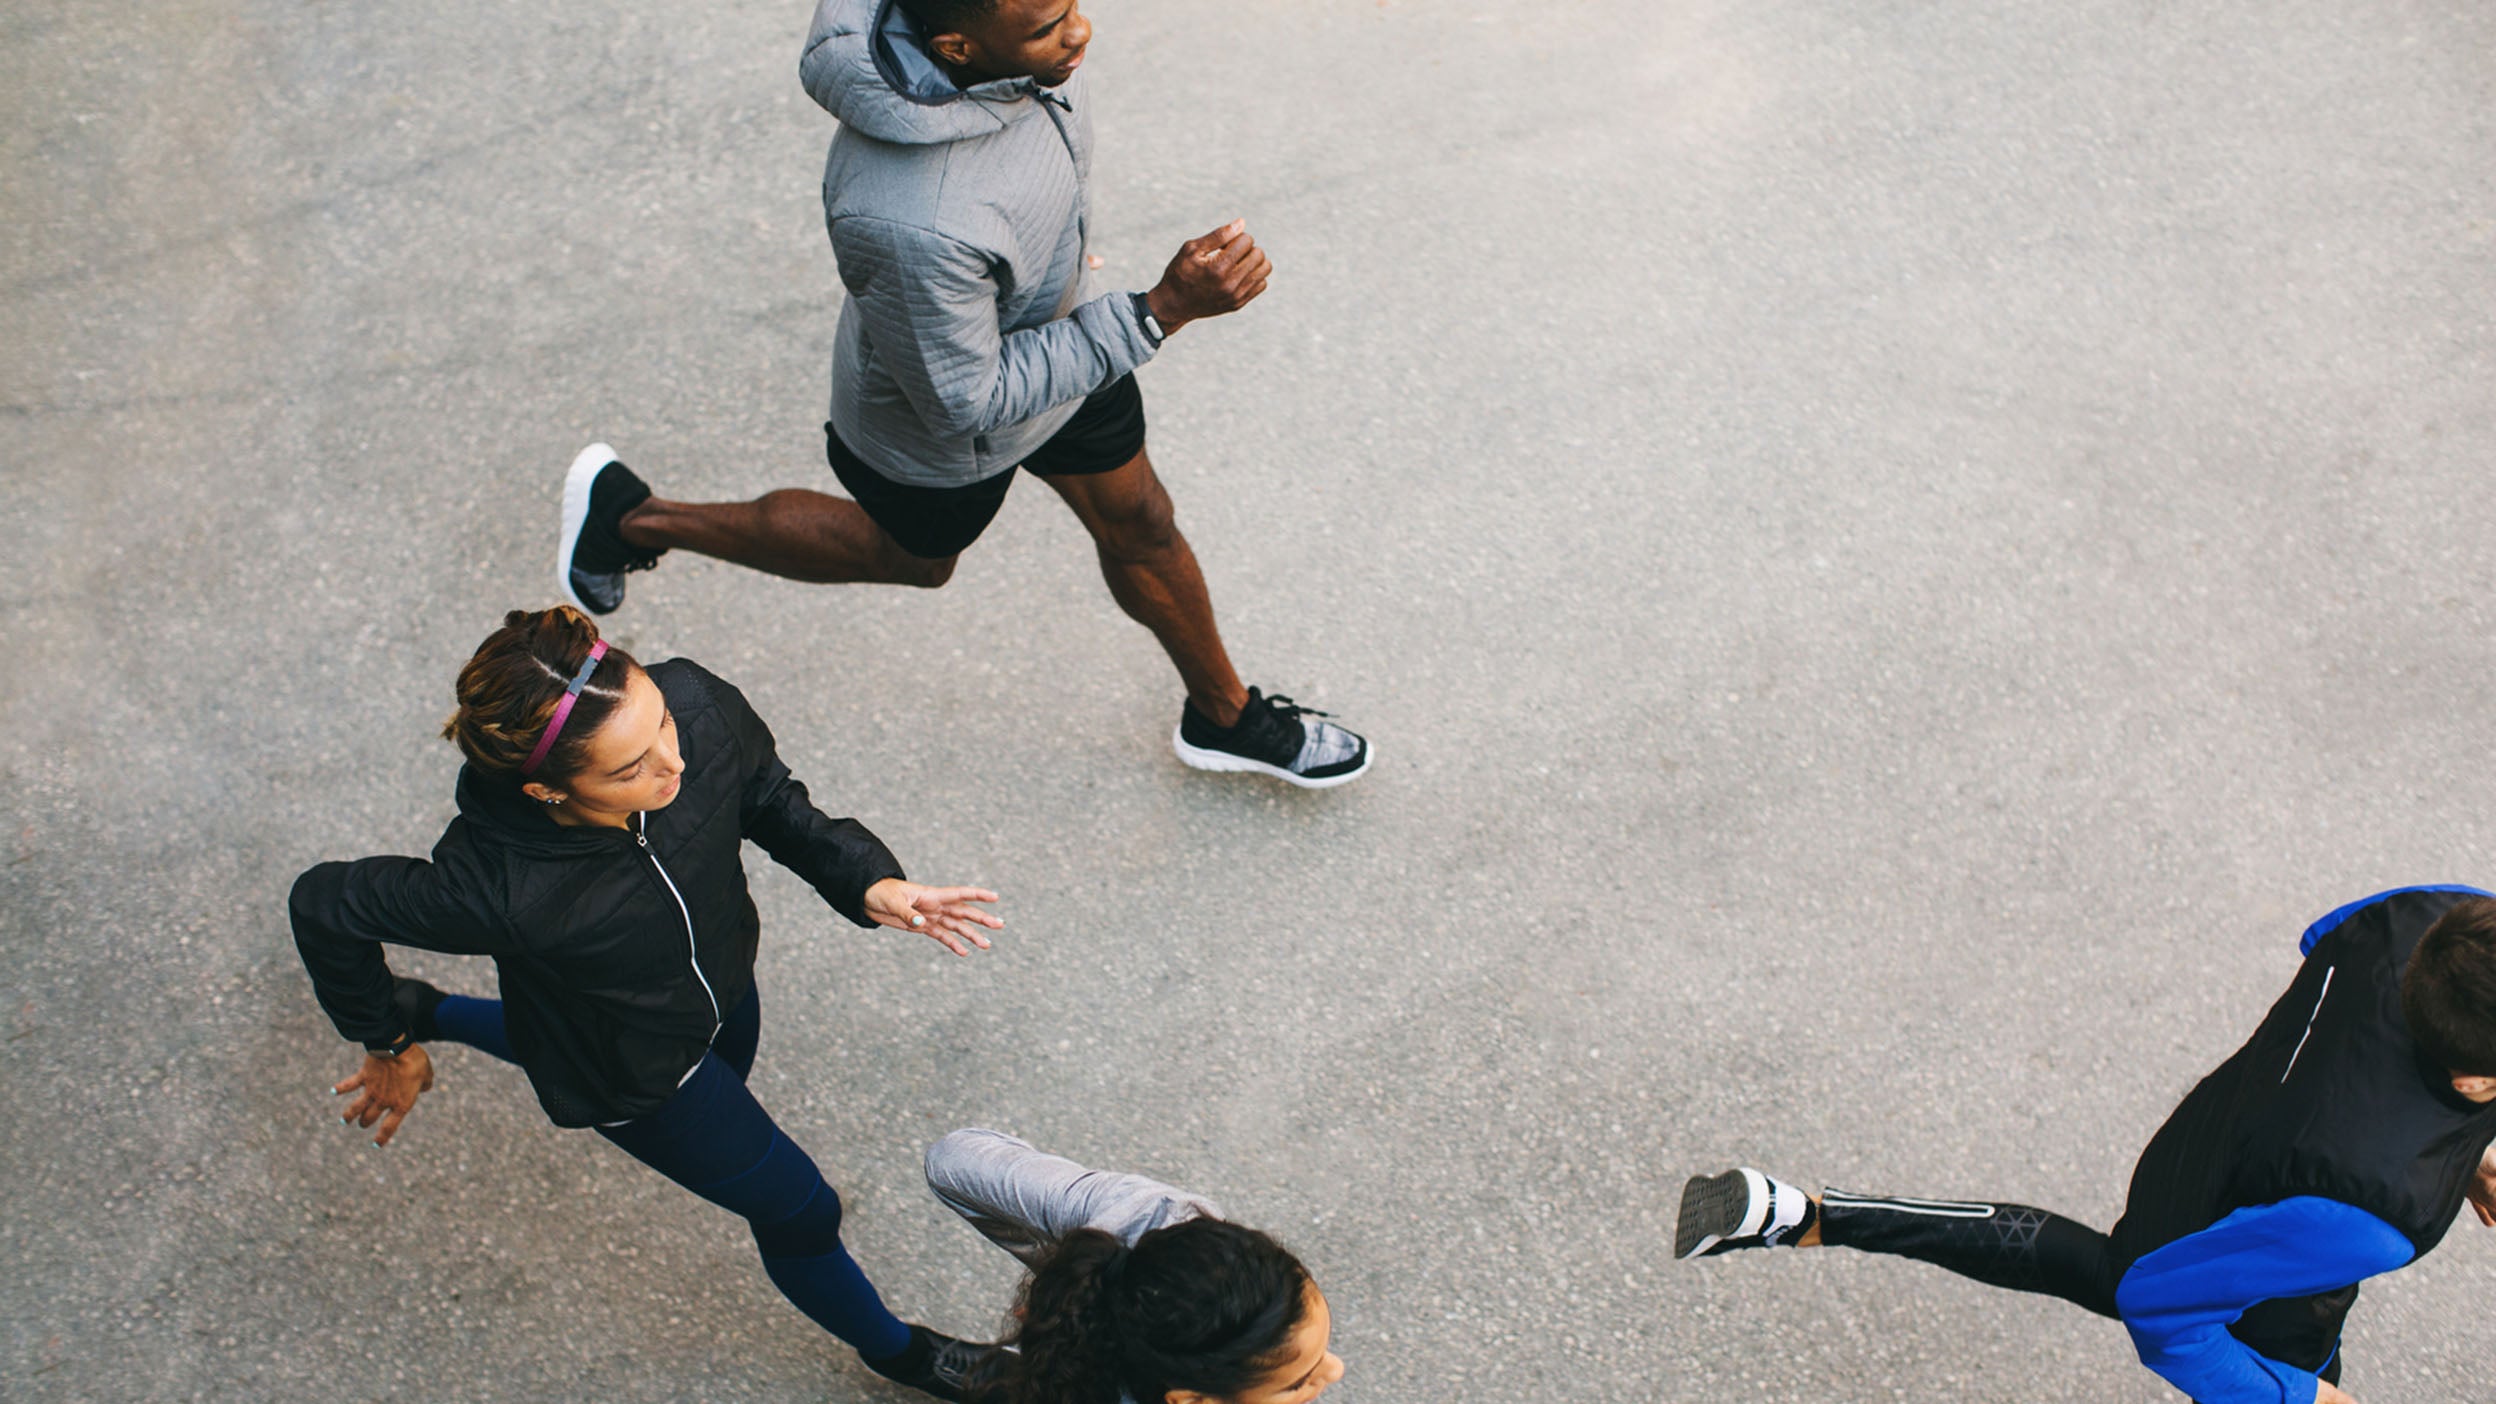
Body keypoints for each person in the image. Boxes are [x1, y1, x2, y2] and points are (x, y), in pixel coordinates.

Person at [552, 0, 1369, 789]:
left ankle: (1225, 718)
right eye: (1048, 26)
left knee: (1142, 522)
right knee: (912, 561)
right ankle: (632, 518)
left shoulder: (1022, 59)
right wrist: (1159, 312)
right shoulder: (909, 218)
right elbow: (965, 400)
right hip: (945, 433)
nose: (1079, 32)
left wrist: (1064, 277)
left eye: (1072, 6)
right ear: (955, 49)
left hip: (1068, 342)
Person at [290, 605, 1007, 1400]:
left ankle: (431, 1009)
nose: (674, 762)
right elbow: (324, 905)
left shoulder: (695, 704)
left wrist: (867, 878)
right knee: (801, 1212)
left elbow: (767, 796)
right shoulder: (493, 889)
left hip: (722, 981)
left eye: (661, 721)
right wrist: (384, 1042)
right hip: (633, 1077)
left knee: (684, 1061)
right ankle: (904, 1356)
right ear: (547, 788)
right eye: (630, 768)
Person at [1674, 885, 2496, 1404]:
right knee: (2139, 1285)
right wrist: (2294, 1397)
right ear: (2475, 1081)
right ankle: (1798, 1215)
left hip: (2215, 1134)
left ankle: (1790, 1213)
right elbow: (2162, 1313)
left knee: (2114, 1270)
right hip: (2259, 1240)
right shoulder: (2374, 1218)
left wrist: (2460, 1147)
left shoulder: (2428, 914)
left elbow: (2332, 954)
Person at [918, 1127, 1347, 1404]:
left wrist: (1072, 1276)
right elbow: (952, 1163)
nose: (1336, 1369)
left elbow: (954, 1160)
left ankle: (1001, 1372)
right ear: (1193, 1401)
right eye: (1296, 1383)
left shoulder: (1158, 1220)